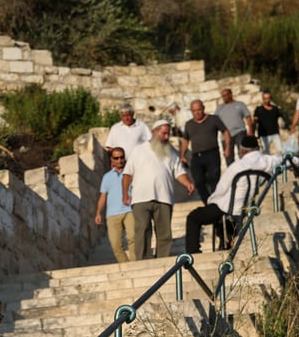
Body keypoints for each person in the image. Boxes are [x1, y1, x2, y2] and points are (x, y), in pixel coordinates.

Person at [184, 135, 299, 254]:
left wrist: (211, 201)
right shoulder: (268, 161)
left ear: (242, 150)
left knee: (194, 217)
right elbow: (291, 159)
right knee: (220, 215)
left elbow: (221, 190)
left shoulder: (236, 167)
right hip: (249, 207)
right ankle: (228, 240)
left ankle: (194, 254)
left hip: (228, 208)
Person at [123, 118, 195, 259]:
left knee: (164, 233)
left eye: (168, 134)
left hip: (164, 197)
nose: (166, 137)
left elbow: (179, 172)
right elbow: (127, 174)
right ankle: (142, 260)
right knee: (142, 229)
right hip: (140, 198)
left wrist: (188, 183)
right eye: (163, 133)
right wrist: (125, 194)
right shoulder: (138, 150)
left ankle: (163, 259)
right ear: (154, 132)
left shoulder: (171, 153)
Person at [180, 99, 231, 204]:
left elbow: (225, 132)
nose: (197, 112)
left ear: (203, 108)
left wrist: (227, 148)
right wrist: (182, 155)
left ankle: (216, 202)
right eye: (194, 111)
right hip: (197, 156)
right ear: (191, 111)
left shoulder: (213, 119)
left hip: (212, 153)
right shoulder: (189, 124)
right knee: (198, 182)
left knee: (213, 179)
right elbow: (185, 140)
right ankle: (208, 203)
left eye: (199, 110)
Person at [95, 147, 131, 264]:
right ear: (112, 159)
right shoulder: (107, 177)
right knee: (115, 244)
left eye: (121, 157)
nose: (120, 160)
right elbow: (103, 196)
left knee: (134, 238)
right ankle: (126, 265)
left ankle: (136, 263)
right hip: (112, 214)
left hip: (130, 210)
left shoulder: (131, 173)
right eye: (116, 158)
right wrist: (98, 213)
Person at [214, 88, 253, 164]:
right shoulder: (220, 108)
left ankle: (246, 170)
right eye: (223, 96)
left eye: (226, 95)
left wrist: (250, 131)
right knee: (229, 157)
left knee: (243, 154)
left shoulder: (240, 104)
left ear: (230, 95)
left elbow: (248, 117)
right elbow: (215, 120)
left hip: (239, 132)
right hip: (226, 135)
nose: (224, 97)